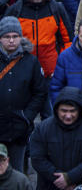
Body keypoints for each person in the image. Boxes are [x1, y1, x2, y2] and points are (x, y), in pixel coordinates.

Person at [29, 86, 82, 190]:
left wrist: (70, 178)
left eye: (72, 111)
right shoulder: (43, 128)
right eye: (64, 111)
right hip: (49, 186)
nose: (68, 116)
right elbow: (37, 158)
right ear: (57, 109)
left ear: (79, 110)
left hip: (80, 186)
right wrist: (61, 180)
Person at [6, 0, 71, 83]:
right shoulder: (16, 10)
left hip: (52, 73)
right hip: (23, 72)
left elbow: (68, 40)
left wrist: (61, 65)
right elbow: (4, 40)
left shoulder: (56, 9)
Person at [0, 16, 46, 172]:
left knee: (18, 173)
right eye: (7, 37)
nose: (11, 40)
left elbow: (39, 93)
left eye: (15, 36)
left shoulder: (31, 62)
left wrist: (27, 116)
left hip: (19, 129)